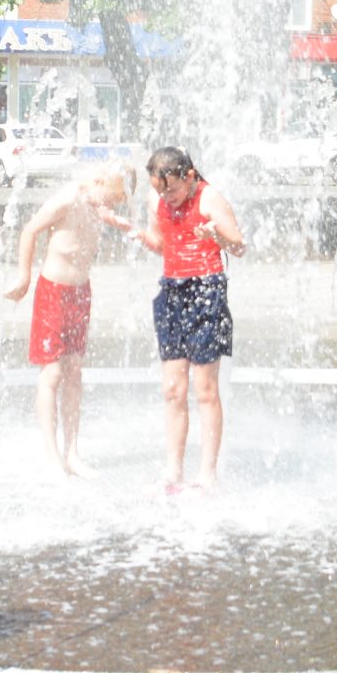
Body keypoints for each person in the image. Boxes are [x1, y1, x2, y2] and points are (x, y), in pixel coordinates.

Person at [5, 168, 134, 474]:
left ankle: (72, 453)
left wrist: (115, 220)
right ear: (98, 181)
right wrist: (24, 276)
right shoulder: (66, 199)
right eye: (111, 199)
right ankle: (52, 455)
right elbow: (29, 231)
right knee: (52, 373)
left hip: (80, 292)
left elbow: (101, 216)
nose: (110, 206)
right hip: (53, 292)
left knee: (75, 371)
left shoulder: (96, 203)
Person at [135, 146, 245, 491]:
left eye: (171, 190)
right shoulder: (157, 200)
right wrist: (140, 236)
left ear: (190, 176)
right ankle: (173, 472)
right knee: (172, 389)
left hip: (206, 291)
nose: (165, 197)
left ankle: (207, 474)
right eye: (159, 191)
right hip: (172, 291)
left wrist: (216, 235)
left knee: (205, 390)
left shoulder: (209, 198)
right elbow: (162, 244)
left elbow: (239, 246)